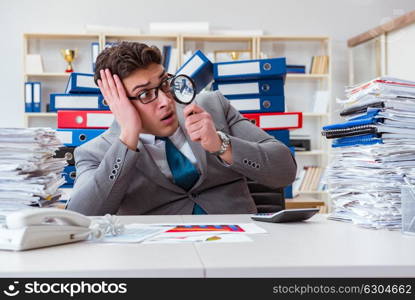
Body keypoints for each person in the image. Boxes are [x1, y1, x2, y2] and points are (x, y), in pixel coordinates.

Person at [67, 41, 296, 215]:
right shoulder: (94, 152)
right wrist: (128, 136)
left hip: (239, 245)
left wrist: (221, 144)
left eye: (164, 82)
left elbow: (285, 170)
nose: (166, 101)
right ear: (118, 103)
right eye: (145, 93)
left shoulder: (211, 106)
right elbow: (81, 215)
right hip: (160, 259)